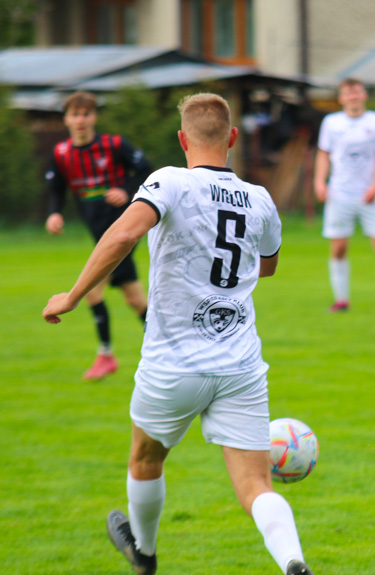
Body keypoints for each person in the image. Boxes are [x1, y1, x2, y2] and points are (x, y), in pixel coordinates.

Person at [43, 93, 313, 575]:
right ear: (232, 138)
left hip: (172, 362)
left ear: (183, 139)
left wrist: (72, 295)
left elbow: (124, 234)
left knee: (145, 459)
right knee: (256, 487)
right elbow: (266, 265)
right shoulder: (260, 197)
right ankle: (294, 562)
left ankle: (144, 553)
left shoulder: (167, 181)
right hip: (240, 365)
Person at [45, 90, 153, 380]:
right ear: (66, 119)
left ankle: (106, 355)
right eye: (75, 114)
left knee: (93, 290)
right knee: (135, 299)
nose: (80, 120)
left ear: (94, 117)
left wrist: (126, 190)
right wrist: (54, 213)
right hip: (99, 234)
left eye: (86, 114)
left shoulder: (114, 145)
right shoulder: (62, 154)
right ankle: (165, 345)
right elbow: (56, 189)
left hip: (122, 233)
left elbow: (146, 171)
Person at [314, 77, 375, 312]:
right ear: (341, 98)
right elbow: (323, 153)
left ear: (364, 95)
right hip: (340, 193)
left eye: (357, 92)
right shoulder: (331, 122)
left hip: (370, 194)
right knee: (338, 247)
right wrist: (320, 182)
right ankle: (341, 300)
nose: (353, 96)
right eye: (348, 93)